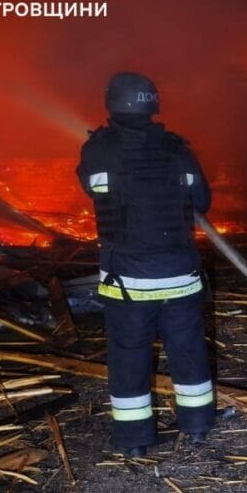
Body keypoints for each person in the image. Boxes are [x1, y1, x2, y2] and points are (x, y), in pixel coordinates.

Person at [77, 72, 215, 456]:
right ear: (153, 102)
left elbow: (90, 188)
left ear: (111, 103)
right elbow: (202, 201)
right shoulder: (177, 149)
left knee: (129, 357)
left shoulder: (98, 150)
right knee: (188, 350)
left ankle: (136, 441)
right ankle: (199, 427)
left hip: (128, 281)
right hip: (181, 279)